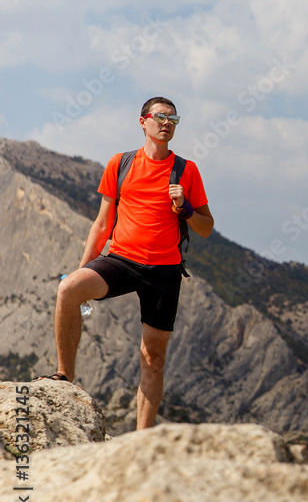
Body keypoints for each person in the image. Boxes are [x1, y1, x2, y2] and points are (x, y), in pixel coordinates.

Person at [37, 97, 214, 431]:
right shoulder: (120, 164)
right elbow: (102, 224)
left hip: (164, 270)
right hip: (121, 259)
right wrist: (83, 267)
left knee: (153, 358)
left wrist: (186, 208)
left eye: (173, 118)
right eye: (160, 116)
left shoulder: (186, 171)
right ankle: (65, 375)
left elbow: (206, 228)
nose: (167, 123)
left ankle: (140, 439)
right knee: (68, 289)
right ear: (143, 121)